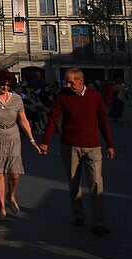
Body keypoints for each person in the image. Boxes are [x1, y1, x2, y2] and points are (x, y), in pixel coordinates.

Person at [40, 68, 116, 236]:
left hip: (93, 146)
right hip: (70, 145)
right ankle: (79, 214)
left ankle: (98, 221)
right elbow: (53, 118)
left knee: (96, 183)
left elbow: (103, 121)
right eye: (66, 81)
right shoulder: (63, 95)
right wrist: (45, 142)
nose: (67, 84)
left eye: (70, 82)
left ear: (80, 81)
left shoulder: (95, 97)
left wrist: (110, 144)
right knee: (74, 181)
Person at [0, 70, 40, 221]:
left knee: (14, 174)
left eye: (8, 85)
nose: (4, 87)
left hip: (12, 137)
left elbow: (23, 120)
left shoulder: (17, 99)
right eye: (2, 84)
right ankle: (2, 207)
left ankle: (11, 195)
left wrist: (32, 140)